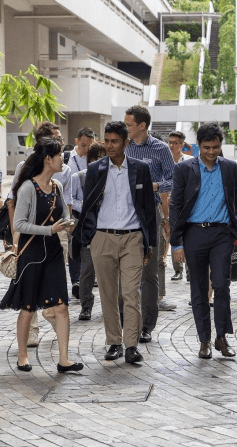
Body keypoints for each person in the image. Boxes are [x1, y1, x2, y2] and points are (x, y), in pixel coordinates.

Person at [73, 121, 156, 363]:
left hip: (132, 238)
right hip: (103, 238)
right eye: (107, 141)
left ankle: (131, 346)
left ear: (126, 143)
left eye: (115, 141)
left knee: (131, 294)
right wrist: (90, 238)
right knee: (108, 294)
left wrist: (148, 243)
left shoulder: (140, 169)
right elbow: (88, 206)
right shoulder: (96, 169)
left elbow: (148, 208)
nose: (109, 146)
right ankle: (114, 342)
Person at [0, 137, 82, 374]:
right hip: (32, 254)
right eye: (59, 157)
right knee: (28, 307)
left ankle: (64, 359)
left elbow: (64, 213)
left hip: (54, 252)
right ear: (48, 159)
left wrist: (69, 224)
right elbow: (20, 225)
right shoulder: (27, 188)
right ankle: (22, 355)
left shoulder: (57, 187)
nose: (63, 162)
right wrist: (49, 230)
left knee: (62, 306)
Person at [169, 123, 237, 359]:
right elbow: (176, 205)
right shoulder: (185, 169)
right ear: (198, 146)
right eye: (207, 147)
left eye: (216, 147)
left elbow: (235, 201)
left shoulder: (229, 167)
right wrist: (176, 243)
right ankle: (204, 340)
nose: (212, 152)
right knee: (198, 289)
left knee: (221, 284)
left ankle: (222, 337)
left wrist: (234, 231)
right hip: (194, 234)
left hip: (221, 234)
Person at [8, 121, 72, 347]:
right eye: (56, 139)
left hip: (57, 235)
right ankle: (31, 333)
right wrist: (17, 238)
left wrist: (66, 225)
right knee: (29, 292)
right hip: (33, 237)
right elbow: (13, 203)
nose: (61, 143)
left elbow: (66, 205)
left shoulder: (63, 173)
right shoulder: (26, 173)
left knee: (54, 283)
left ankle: (52, 311)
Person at [124, 105, 176, 342]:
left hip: (149, 211)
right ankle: (126, 324)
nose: (126, 128)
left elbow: (173, 180)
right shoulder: (122, 147)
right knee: (122, 271)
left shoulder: (160, 149)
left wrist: (154, 186)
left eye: (129, 125)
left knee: (149, 269)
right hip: (121, 212)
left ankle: (147, 326)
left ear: (142, 126)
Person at [69, 141, 105, 321]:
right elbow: (71, 200)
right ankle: (86, 306)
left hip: (107, 230)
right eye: (95, 158)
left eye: (102, 158)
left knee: (108, 272)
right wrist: (81, 205)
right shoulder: (79, 177)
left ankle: (110, 306)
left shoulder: (111, 178)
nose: (98, 162)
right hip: (87, 229)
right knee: (87, 271)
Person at [66, 128, 96, 296]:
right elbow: (67, 192)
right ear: (76, 141)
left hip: (94, 213)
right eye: (84, 145)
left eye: (89, 146)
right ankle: (76, 280)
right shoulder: (67, 159)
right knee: (75, 247)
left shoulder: (95, 159)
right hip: (75, 211)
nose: (86, 150)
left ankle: (88, 277)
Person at [167, 131, 193, 282]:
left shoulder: (190, 161)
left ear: (182, 145)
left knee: (189, 236)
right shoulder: (165, 161)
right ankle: (178, 270)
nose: (172, 145)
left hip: (186, 204)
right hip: (169, 203)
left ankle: (191, 270)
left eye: (175, 142)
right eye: (170, 142)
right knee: (173, 233)